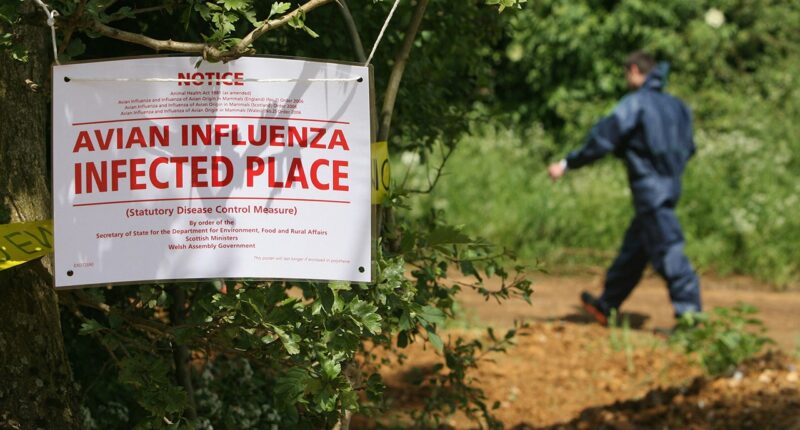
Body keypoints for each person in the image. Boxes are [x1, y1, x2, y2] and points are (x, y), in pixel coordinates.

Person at [547, 51, 702, 325]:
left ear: (633, 70)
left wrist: (567, 163)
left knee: (668, 250)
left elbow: (603, 139)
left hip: (650, 192)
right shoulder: (678, 106)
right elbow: (689, 148)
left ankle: (691, 317)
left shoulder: (637, 104)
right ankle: (607, 306)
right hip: (671, 187)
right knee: (635, 251)